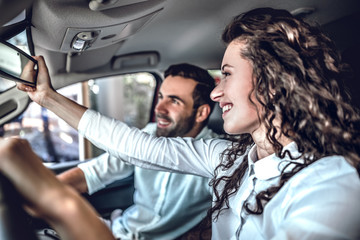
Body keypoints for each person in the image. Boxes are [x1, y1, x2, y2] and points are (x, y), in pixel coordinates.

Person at [1, 7, 360, 240]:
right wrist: (47, 98)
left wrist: (59, 203)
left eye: (227, 75)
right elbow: (136, 147)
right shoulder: (232, 158)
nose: (217, 95)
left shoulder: (331, 183)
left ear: (272, 82)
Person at [56, 63, 218, 240]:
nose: (159, 109)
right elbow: (93, 173)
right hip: (118, 229)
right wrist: (40, 192)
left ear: (201, 113)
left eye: (174, 101)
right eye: (161, 97)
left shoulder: (217, 158)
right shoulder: (147, 136)